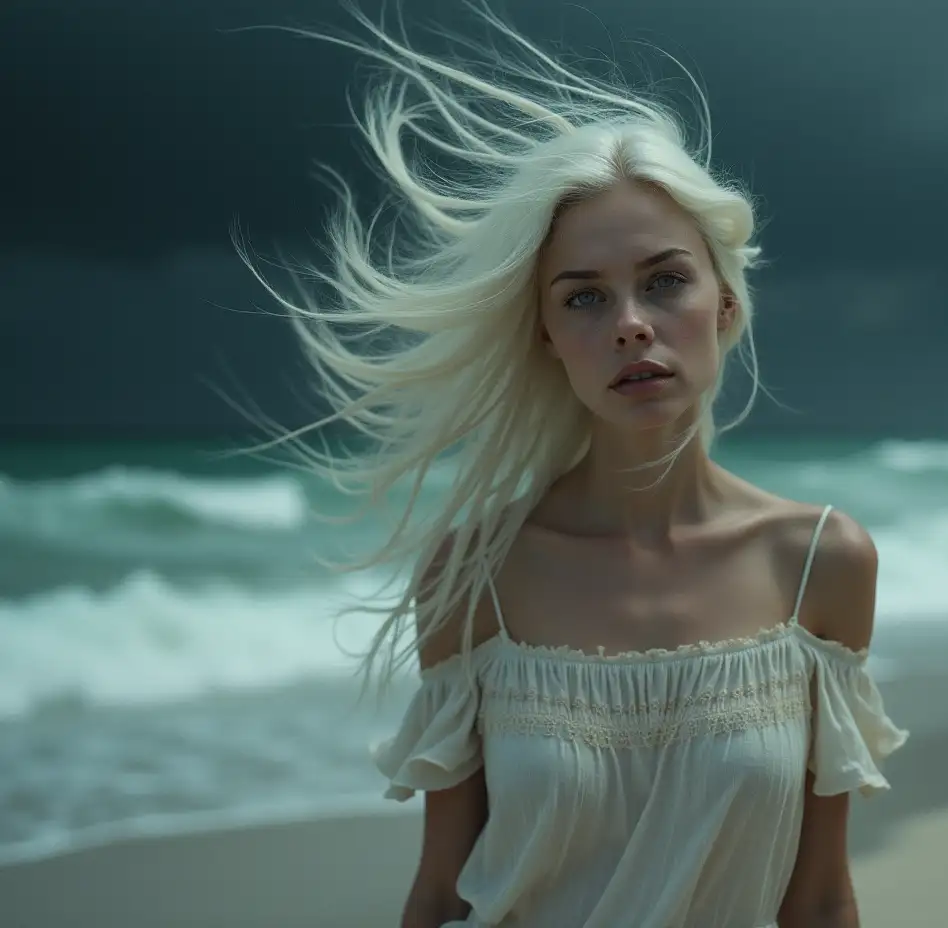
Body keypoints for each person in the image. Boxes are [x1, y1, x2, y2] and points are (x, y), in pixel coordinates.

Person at [246, 5, 906, 926]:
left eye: (666, 280)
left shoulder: (819, 567)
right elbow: (441, 893)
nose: (632, 321)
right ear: (550, 336)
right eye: (585, 297)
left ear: (723, 302)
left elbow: (824, 898)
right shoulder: (477, 576)